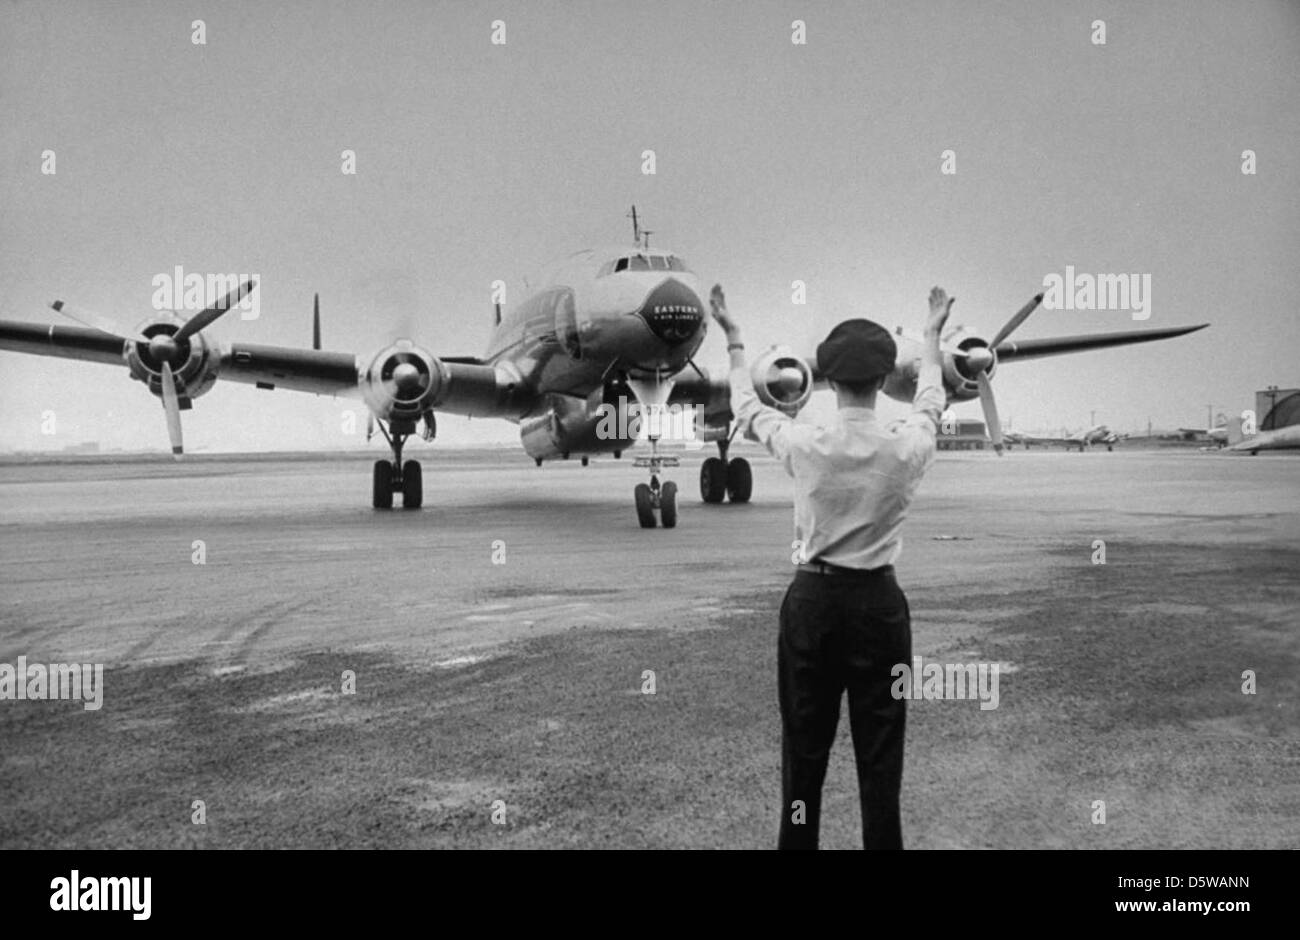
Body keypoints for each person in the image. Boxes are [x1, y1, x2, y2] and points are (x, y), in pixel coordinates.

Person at [709, 283, 953, 850]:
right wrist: (935, 333)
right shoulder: (907, 445)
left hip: (813, 607)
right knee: (881, 758)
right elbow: (931, 402)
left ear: (832, 380)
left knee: (804, 754)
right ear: (881, 380)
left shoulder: (804, 442)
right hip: (880, 607)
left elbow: (746, 409)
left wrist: (735, 337)